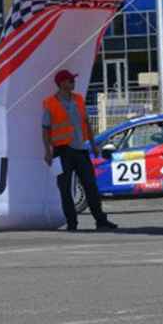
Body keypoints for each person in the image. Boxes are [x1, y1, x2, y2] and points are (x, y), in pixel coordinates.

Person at [42, 69, 117, 231]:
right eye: (70, 80)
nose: (73, 83)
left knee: (91, 186)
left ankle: (101, 220)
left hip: (81, 150)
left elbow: (87, 123)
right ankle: (72, 223)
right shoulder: (50, 103)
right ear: (62, 83)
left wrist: (93, 144)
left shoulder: (78, 100)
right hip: (60, 152)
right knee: (64, 188)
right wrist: (47, 152)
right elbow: (45, 129)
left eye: (73, 80)